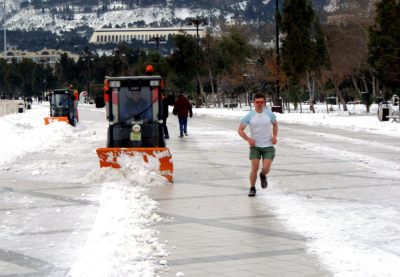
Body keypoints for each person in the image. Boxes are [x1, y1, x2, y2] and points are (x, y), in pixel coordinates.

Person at [238, 93, 278, 197]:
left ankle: (263, 175)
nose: (259, 104)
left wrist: (274, 136)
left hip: (268, 146)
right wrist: (248, 139)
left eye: (261, 102)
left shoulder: (269, 114)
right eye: (257, 102)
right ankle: (252, 188)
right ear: (253, 103)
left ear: (264, 102)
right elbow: (240, 130)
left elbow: (275, 124)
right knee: (254, 168)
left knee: (266, 168)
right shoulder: (249, 115)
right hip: (255, 146)